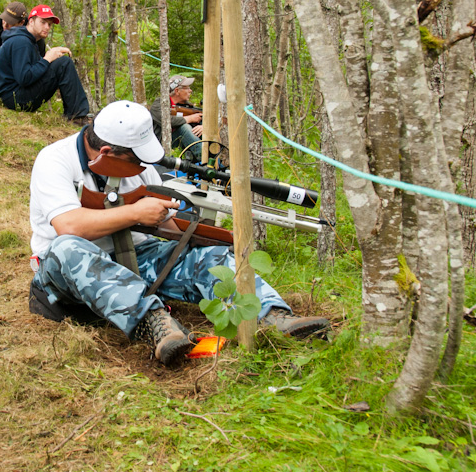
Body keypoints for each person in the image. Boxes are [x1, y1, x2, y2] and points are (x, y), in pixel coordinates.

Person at [27, 101, 329, 365]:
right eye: (137, 160)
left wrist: (201, 238)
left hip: (134, 256)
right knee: (68, 246)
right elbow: (69, 226)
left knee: (209, 255)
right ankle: (154, 324)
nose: (144, 167)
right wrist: (135, 212)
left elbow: (167, 227)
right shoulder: (54, 160)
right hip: (68, 271)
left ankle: (270, 315)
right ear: (107, 152)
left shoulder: (138, 166)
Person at [0, 4, 90, 123]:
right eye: (43, 22)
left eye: (49, 24)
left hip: (13, 96)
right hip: (14, 99)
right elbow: (24, 78)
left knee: (61, 63)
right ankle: (78, 117)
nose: (47, 27)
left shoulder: (27, 41)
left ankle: (77, 114)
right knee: (64, 63)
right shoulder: (21, 42)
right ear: (31, 22)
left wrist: (52, 57)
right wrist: (47, 59)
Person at [148, 74, 204, 162]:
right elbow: (166, 120)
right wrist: (189, 119)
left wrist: (204, 127)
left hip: (179, 143)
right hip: (162, 144)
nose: (190, 90)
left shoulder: (186, 106)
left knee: (198, 129)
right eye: (187, 88)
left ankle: (215, 159)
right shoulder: (159, 104)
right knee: (184, 128)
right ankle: (204, 159)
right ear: (177, 91)